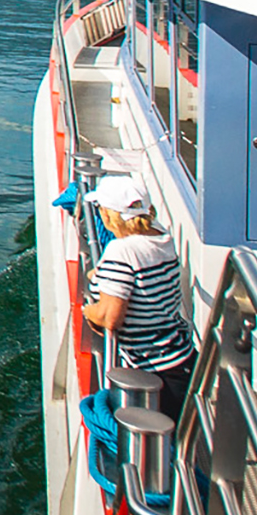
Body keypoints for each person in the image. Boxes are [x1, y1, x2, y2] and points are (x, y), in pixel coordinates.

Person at [80, 174, 192, 416]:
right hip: (181, 357)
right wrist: (101, 275)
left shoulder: (121, 251)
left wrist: (87, 310)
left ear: (108, 215)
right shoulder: (160, 235)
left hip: (153, 370)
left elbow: (110, 317)